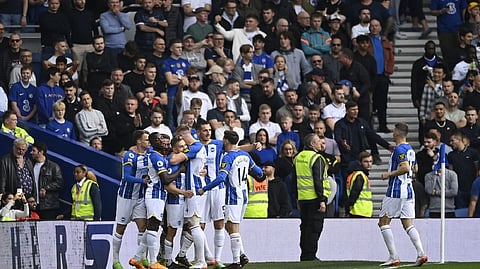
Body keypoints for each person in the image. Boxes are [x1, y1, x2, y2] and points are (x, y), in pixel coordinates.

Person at [198, 130, 264, 269]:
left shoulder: (228, 157)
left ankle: (236, 262)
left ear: (226, 141)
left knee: (233, 228)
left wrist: (205, 188)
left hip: (232, 197)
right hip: (244, 196)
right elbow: (259, 173)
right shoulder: (245, 155)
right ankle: (242, 255)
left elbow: (221, 177)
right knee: (230, 226)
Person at [378, 122, 428, 267]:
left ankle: (394, 257)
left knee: (383, 222)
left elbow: (406, 168)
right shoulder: (410, 149)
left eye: (394, 131)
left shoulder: (400, 149)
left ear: (397, 133)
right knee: (408, 223)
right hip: (409, 190)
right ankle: (421, 253)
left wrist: (389, 174)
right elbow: (415, 168)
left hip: (396, 190)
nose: (393, 133)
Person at [111, 130, 152, 269]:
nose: (149, 142)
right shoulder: (129, 156)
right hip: (126, 197)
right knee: (120, 229)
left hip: (140, 197)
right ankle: (115, 260)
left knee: (143, 227)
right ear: (139, 141)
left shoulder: (150, 154)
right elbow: (126, 177)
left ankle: (141, 258)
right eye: (146, 139)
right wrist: (143, 181)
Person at [292, 133, 327, 261]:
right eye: (318, 141)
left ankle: (304, 254)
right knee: (315, 227)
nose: (321, 143)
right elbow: (318, 180)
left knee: (305, 227)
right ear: (312, 144)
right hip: (315, 198)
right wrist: (322, 199)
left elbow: (294, 180)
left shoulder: (297, 157)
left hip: (303, 199)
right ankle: (311, 255)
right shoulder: (316, 158)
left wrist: (297, 198)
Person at [30, 141, 64, 220]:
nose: (31, 152)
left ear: (41, 152)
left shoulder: (53, 166)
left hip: (48, 206)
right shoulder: (30, 165)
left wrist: (46, 188)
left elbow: (60, 183)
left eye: (34, 150)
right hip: (33, 205)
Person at [345, 151, 373, 218]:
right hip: (359, 211)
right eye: (366, 162)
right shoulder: (360, 175)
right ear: (360, 163)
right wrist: (349, 205)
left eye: (370, 161)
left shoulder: (359, 174)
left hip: (361, 211)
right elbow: (355, 192)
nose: (369, 164)